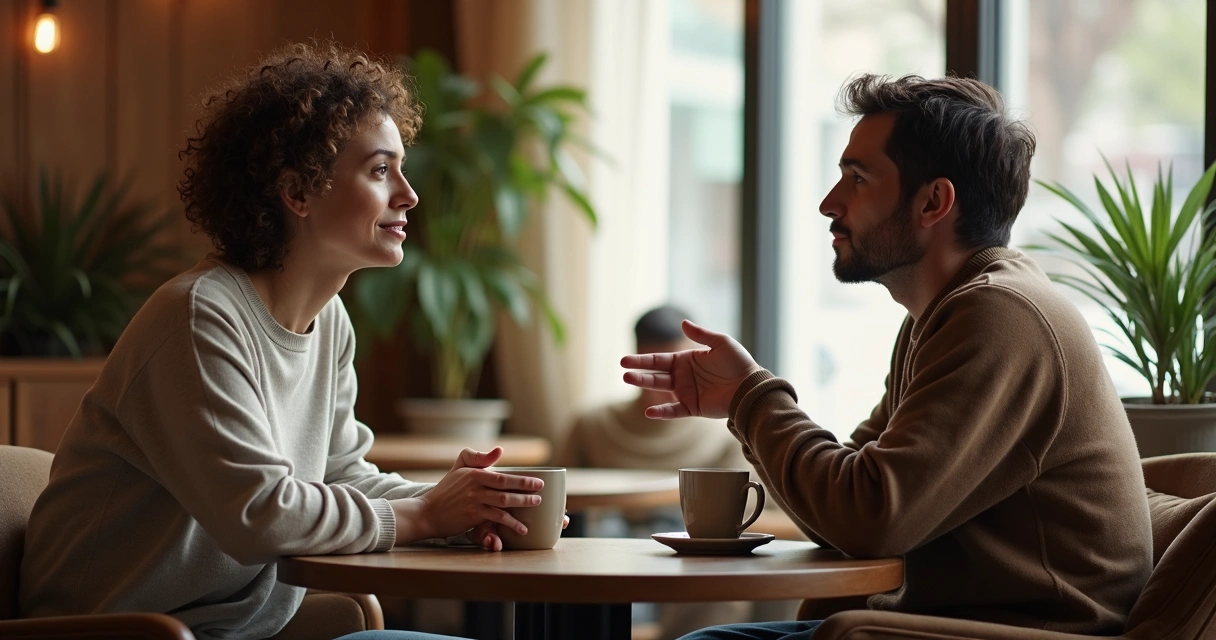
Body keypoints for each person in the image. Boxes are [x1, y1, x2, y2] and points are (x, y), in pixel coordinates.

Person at [19, 42, 553, 640]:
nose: (409, 195)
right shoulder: (199, 318)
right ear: (297, 192)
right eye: (380, 170)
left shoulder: (330, 321)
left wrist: (460, 504)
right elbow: (260, 515)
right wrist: (426, 513)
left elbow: (340, 477)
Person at [621, 74, 1152, 640]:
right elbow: (845, 507)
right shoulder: (942, 317)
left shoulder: (1000, 317)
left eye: (857, 178)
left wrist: (753, 397)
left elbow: (869, 516)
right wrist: (741, 401)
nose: (829, 202)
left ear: (932, 202)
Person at [556, 305, 759, 639]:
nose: (668, 379)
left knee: (716, 572)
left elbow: (742, 508)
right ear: (638, 357)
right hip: (601, 545)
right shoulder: (592, 424)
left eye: (678, 364)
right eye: (659, 365)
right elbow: (556, 496)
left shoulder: (725, 430)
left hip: (686, 544)